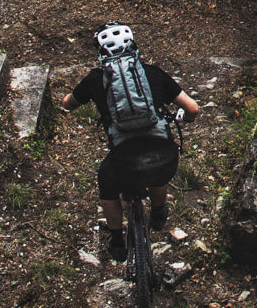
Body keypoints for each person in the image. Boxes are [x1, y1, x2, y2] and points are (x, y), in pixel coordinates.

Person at [60, 23, 200, 261]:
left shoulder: (95, 80)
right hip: (164, 157)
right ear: (133, 45)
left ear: (101, 51)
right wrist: (181, 118)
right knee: (158, 168)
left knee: (107, 185)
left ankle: (116, 241)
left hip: (123, 161)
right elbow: (193, 109)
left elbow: (67, 104)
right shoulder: (153, 74)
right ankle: (157, 213)